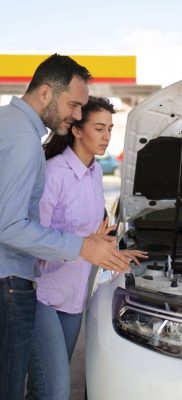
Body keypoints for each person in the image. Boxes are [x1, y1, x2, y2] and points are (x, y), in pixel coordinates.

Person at [0, 54, 134, 400]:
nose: (76, 113)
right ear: (46, 92)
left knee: (39, 389)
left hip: (63, 295)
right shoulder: (28, 145)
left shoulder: (9, 126)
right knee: (41, 390)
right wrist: (83, 247)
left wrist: (106, 248)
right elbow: (12, 226)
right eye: (74, 106)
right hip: (22, 285)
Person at [25, 96, 147, 400]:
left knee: (45, 387)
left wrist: (113, 251)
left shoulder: (94, 173)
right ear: (77, 131)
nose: (106, 136)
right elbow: (32, 241)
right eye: (99, 128)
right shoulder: (53, 173)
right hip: (40, 296)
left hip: (73, 299)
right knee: (54, 390)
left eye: (110, 128)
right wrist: (85, 247)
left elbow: (95, 234)